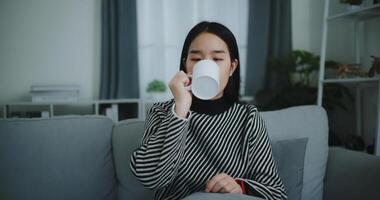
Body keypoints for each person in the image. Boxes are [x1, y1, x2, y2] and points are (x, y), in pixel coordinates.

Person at [130, 21, 287, 200]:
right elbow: (151, 178)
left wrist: (240, 187)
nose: (205, 65)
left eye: (217, 59)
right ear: (186, 65)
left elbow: (276, 193)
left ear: (232, 67)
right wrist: (180, 109)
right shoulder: (162, 112)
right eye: (196, 59)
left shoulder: (248, 118)